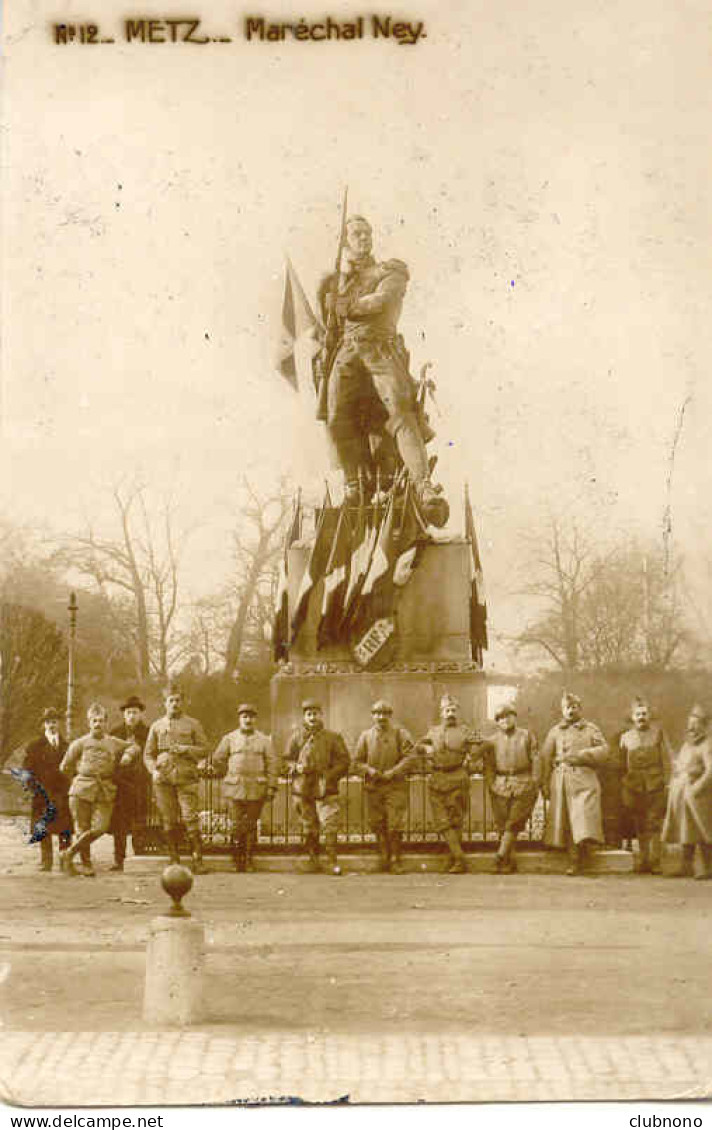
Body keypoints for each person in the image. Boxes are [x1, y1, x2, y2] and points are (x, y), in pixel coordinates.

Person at [316, 214, 448, 526]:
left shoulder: (390, 270)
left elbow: (382, 300)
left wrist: (346, 306)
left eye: (366, 233)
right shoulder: (336, 282)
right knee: (336, 418)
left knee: (400, 414)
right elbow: (330, 327)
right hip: (347, 352)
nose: (362, 238)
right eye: (356, 234)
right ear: (346, 242)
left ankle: (424, 487)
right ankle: (354, 486)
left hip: (380, 348)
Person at [59, 703, 138, 877]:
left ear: (106, 723)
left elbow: (133, 747)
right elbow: (65, 766)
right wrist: (78, 779)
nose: (97, 724)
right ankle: (85, 864)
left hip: (105, 790)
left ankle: (68, 853)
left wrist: (128, 755)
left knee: (101, 827)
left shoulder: (113, 742)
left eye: (101, 721)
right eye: (94, 721)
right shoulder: (79, 743)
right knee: (82, 828)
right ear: (89, 722)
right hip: (81, 790)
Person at [143, 681, 209, 873]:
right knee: (168, 818)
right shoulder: (156, 726)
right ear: (165, 703)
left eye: (178, 700)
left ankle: (198, 859)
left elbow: (205, 749)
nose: (174, 704)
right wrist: (153, 770)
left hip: (186, 777)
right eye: (171, 700)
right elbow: (148, 753)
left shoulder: (193, 724)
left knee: (190, 817)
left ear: (183, 702)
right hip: (163, 779)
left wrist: (187, 749)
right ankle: (174, 859)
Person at [541, 692, 609, 876]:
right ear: (562, 710)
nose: (571, 710)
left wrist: (581, 756)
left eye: (574, 707)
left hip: (584, 780)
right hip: (561, 780)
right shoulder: (555, 731)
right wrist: (545, 783)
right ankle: (575, 861)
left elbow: (604, 751)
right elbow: (545, 757)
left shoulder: (591, 729)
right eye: (567, 707)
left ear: (580, 708)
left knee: (583, 821)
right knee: (569, 823)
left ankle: (583, 859)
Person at [211, 703, 279, 872]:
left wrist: (271, 786)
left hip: (256, 788)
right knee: (235, 825)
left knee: (250, 825)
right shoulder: (229, 738)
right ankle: (237, 859)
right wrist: (227, 772)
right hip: (235, 788)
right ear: (239, 719)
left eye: (251, 717)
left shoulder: (264, 740)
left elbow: (272, 764)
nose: (248, 720)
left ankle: (249, 859)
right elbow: (217, 758)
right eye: (244, 717)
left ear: (255, 719)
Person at [284, 699, 350, 875]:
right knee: (309, 825)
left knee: (329, 824)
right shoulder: (296, 737)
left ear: (321, 715)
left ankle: (332, 861)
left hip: (326, 788)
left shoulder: (333, 737)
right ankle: (313, 859)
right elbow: (286, 759)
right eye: (309, 714)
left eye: (315, 713)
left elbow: (344, 761)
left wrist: (329, 776)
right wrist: (294, 767)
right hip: (303, 788)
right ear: (304, 717)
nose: (312, 717)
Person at [417, 694, 481, 874]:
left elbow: (478, 748)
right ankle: (459, 857)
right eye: (447, 710)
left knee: (455, 820)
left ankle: (453, 859)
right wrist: (425, 749)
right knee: (442, 822)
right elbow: (418, 747)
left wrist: (471, 758)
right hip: (437, 779)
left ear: (457, 712)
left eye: (453, 710)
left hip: (457, 778)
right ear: (441, 712)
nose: (450, 713)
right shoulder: (433, 731)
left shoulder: (466, 731)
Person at [353, 700, 417, 873]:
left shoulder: (400, 733)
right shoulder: (366, 736)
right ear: (372, 716)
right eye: (377, 714)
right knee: (377, 822)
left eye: (385, 714)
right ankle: (384, 857)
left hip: (395, 786)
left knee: (395, 823)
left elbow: (410, 757)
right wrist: (370, 770)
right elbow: (357, 762)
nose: (381, 717)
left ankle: (396, 859)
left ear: (390, 716)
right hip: (374, 786)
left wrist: (394, 772)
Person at [480, 704, 540, 874]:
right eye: (500, 718)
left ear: (515, 717)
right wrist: (491, 784)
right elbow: (489, 765)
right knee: (503, 824)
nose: (505, 720)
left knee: (514, 822)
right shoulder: (491, 740)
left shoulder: (526, 736)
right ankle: (508, 862)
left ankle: (499, 856)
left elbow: (536, 759)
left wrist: (535, 781)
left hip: (523, 782)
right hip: (500, 784)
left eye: (508, 716)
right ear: (497, 722)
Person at [618, 697, 673, 874]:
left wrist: (668, 782)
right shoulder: (625, 737)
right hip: (634, 787)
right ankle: (643, 860)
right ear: (632, 717)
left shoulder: (659, 734)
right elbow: (620, 765)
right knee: (639, 824)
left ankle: (655, 861)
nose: (641, 716)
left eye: (644, 713)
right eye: (638, 714)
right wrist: (625, 785)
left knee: (654, 823)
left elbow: (667, 758)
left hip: (655, 784)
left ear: (649, 715)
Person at [662, 704, 712, 880]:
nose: (691, 728)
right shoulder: (687, 744)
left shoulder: (707, 745)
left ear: (703, 726)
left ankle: (708, 867)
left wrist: (697, 788)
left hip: (699, 796)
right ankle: (686, 866)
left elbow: (711, 771)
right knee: (686, 830)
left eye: (695, 725)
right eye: (690, 725)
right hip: (682, 795)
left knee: (703, 830)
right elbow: (681, 767)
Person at [22, 707, 73, 872]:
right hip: (42, 793)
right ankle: (46, 861)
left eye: (54, 721)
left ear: (59, 723)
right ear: (43, 725)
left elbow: (72, 769)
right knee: (44, 827)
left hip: (62, 793)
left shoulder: (67, 746)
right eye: (48, 722)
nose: (52, 725)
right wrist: (34, 789)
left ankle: (65, 859)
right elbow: (27, 771)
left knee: (65, 827)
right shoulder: (34, 746)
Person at [109, 694, 150, 872]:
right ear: (123, 715)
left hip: (140, 783)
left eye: (134, 712)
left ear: (140, 714)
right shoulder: (115, 733)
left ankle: (139, 857)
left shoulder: (149, 733)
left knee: (139, 820)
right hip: (120, 783)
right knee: (119, 823)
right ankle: (119, 860)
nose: (131, 716)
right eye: (128, 713)